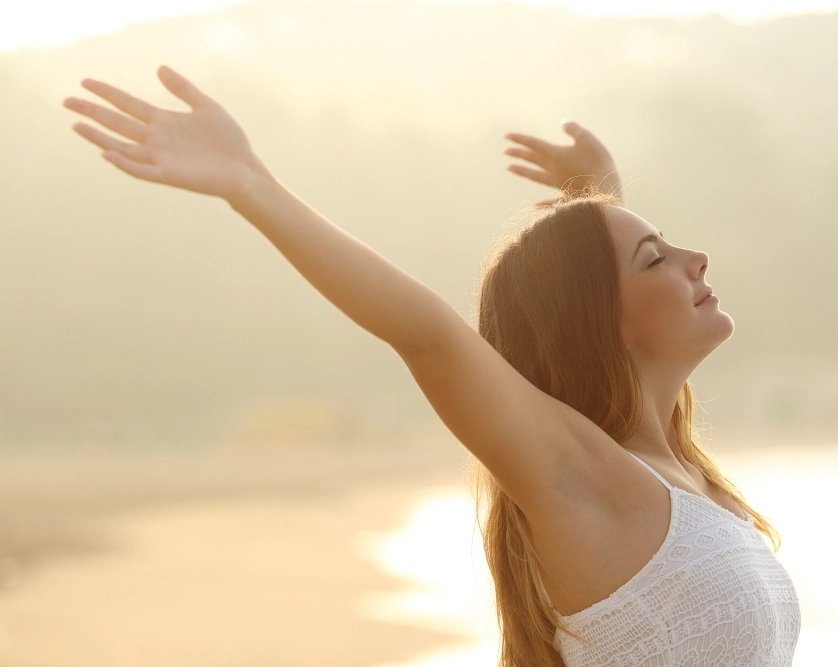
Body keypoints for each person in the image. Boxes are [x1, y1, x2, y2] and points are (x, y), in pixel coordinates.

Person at [63, 66, 800, 667]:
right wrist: (252, 184)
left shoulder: (671, 476)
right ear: (598, 320)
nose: (696, 257)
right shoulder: (584, 478)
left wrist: (601, 194)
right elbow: (429, 337)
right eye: (657, 256)